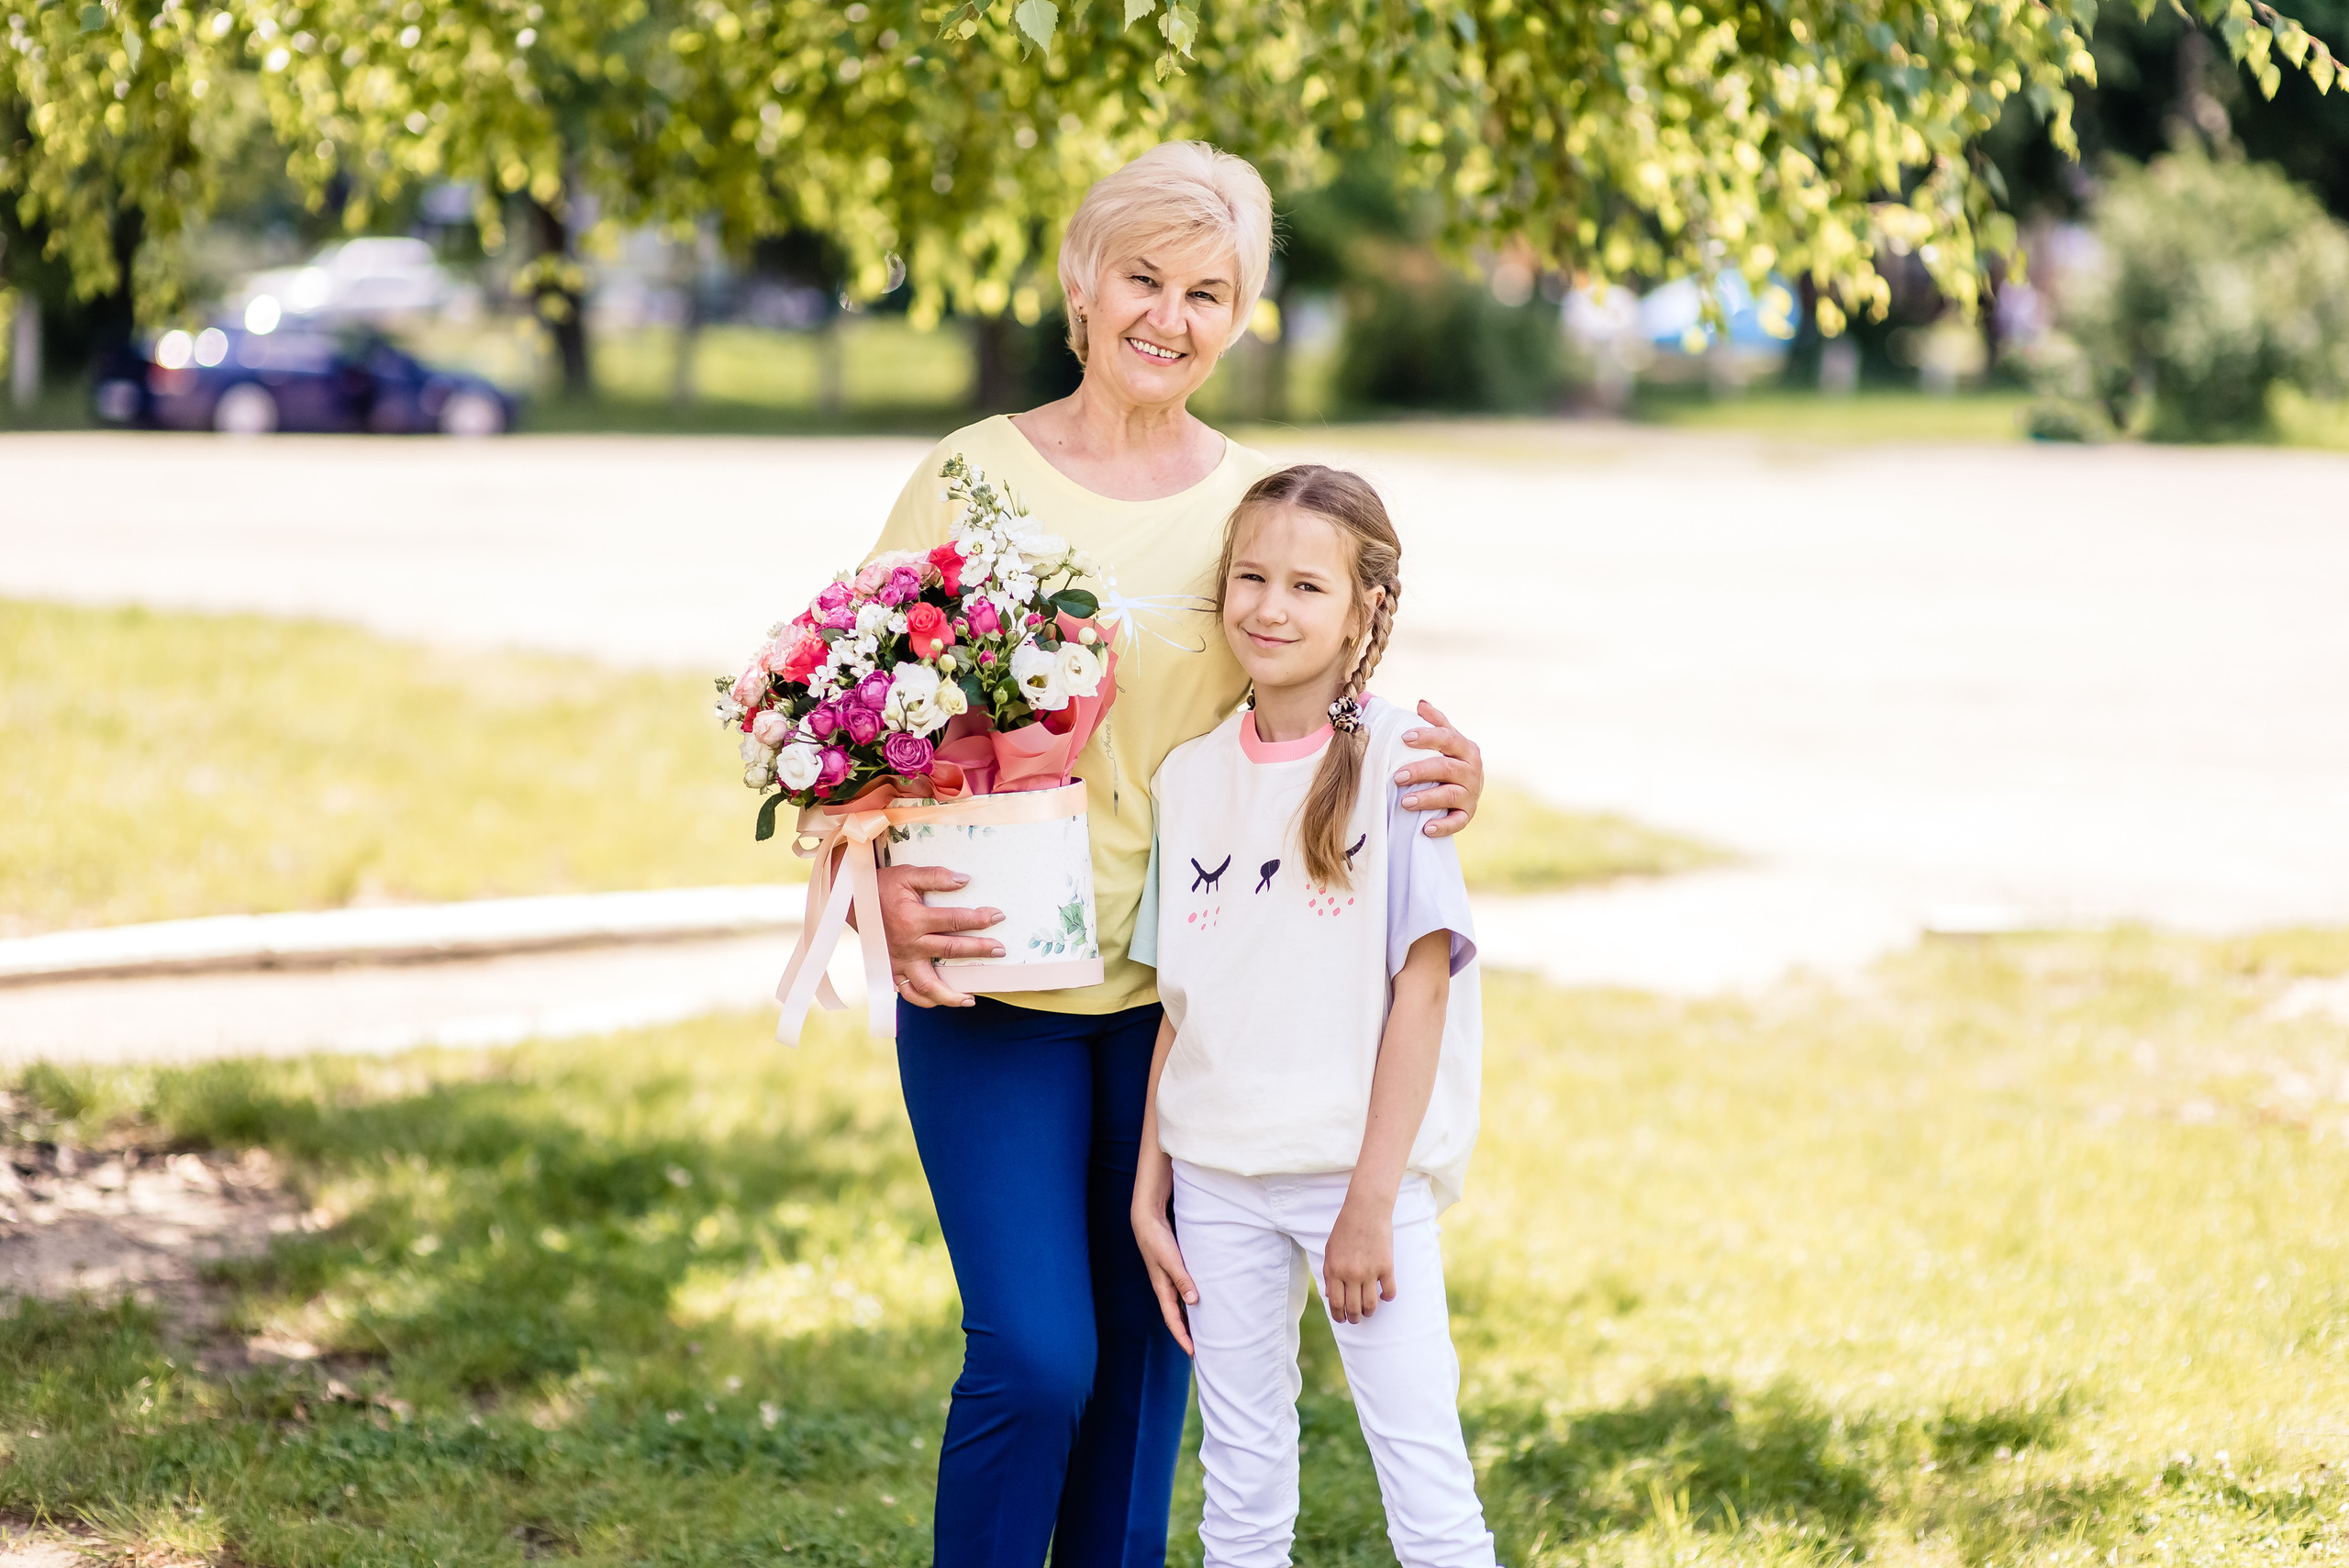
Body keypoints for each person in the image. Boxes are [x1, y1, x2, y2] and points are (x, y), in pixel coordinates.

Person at [862, 140, 1486, 1567]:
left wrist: (1454, 767)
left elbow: (1334, 698)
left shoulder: (1258, 506)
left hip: (1183, 1014)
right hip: (993, 993)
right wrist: (873, 884)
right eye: (1143, 277)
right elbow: (843, 720)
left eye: (1211, 291)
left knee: (1150, 1375)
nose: (1171, 315)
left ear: (1242, 313)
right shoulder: (970, 476)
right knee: (1037, 1358)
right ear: (1083, 285)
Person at [1129, 464, 1493, 1566]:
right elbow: (1177, 1003)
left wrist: (1372, 1202)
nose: (1268, 608)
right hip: (1215, 1180)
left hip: (1355, 1177)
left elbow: (1420, 991)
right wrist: (1151, 1184)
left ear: (1363, 611)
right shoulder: (1188, 778)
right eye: (1249, 577)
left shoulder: (1401, 763)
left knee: (1424, 1483)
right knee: (1238, 1487)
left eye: (1303, 585)